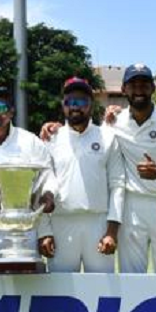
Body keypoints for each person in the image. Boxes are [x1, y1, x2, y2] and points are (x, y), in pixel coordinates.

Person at [106, 63, 156, 274]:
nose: (139, 89)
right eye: (133, 84)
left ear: (153, 88)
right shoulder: (113, 122)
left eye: (144, 84)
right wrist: (55, 128)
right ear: (124, 90)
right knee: (132, 278)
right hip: (132, 206)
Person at [0, 86, 54, 272]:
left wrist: (49, 194)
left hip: (25, 232)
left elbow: (48, 177)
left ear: (12, 111)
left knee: (26, 291)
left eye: (1, 108)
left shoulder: (30, 141)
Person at [45, 77, 122, 273]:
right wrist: (44, 231)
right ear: (63, 105)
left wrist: (111, 231)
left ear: (91, 105)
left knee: (102, 290)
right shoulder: (51, 138)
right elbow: (44, 184)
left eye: (81, 102)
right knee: (60, 291)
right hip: (61, 222)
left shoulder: (107, 137)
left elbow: (117, 185)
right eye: (70, 102)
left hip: (97, 223)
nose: (75, 107)